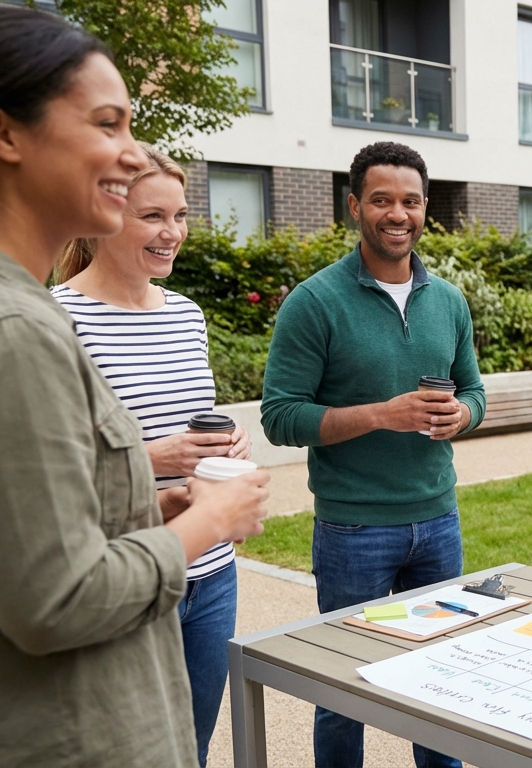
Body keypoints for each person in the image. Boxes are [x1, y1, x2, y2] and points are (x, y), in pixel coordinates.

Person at [0, 8, 270, 766]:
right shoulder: (26, 326)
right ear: (9, 134)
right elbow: (54, 597)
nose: (129, 155)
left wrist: (155, 505)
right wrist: (206, 516)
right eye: (108, 125)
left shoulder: (157, 315)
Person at [260, 141, 485, 768]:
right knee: (344, 688)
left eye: (410, 201)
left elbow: (474, 389)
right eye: (381, 200)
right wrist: (385, 414)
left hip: (438, 522)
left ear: (424, 209)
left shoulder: (448, 300)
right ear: (355, 205)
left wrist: (464, 413)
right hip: (353, 527)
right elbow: (280, 418)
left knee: (441, 680)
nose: (397, 213)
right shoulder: (314, 302)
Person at [50, 142, 253, 767]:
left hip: (211, 570)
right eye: (153, 217)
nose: (173, 233)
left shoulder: (187, 316)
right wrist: (161, 454)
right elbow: (49, 470)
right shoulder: (59, 317)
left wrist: (231, 449)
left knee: (191, 746)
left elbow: (197, 422)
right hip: (126, 568)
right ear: (104, 216)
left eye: (182, 215)